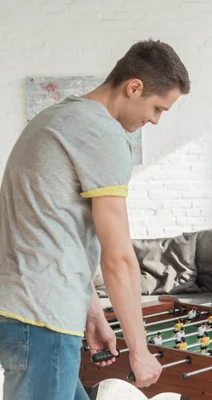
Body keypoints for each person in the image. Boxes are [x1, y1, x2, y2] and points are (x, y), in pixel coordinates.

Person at [0, 39, 190, 399]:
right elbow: (118, 258)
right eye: (157, 107)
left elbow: (53, 233)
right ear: (134, 87)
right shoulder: (102, 133)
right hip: (43, 320)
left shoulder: (55, 118)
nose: (155, 119)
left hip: (28, 311)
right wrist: (140, 350)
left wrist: (92, 314)